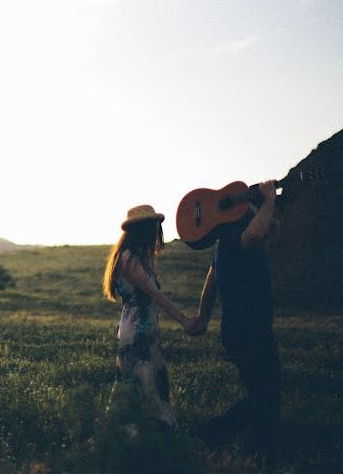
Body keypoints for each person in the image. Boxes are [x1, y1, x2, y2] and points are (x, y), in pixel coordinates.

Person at [191, 180, 281, 471]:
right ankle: (212, 438)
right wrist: (269, 200)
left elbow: (211, 279)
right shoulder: (234, 232)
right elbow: (254, 234)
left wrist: (204, 317)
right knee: (266, 395)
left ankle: (244, 447)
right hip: (248, 326)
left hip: (244, 326)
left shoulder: (225, 239)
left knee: (263, 392)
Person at [103, 205, 200, 429]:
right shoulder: (128, 258)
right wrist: (184, 320)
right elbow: (155, 295)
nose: (157, 233)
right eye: (154, 228)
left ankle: (136, 439)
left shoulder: (138, 256)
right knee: (145, 388)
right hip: (138, 331)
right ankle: (147, 440)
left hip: (142, 328)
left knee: (145, 386)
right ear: (143, 230)